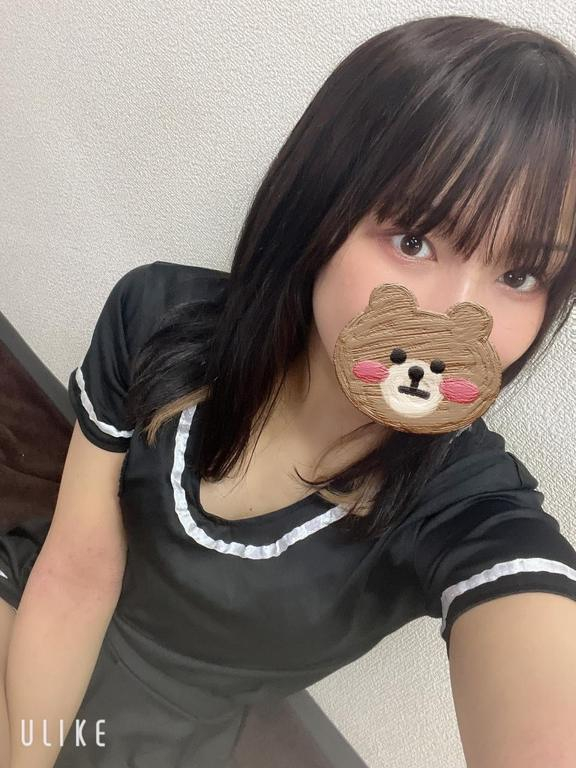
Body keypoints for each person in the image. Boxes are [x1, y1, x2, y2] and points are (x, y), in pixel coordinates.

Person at [2, 13, 576, 768]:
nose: (452, 320)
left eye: (521, 274)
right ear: (319, 210)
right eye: (414, 240)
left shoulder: (467, 504)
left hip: (162, 734)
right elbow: (75, 571)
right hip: (36, 604)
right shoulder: (157, 315)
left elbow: (532, 640)